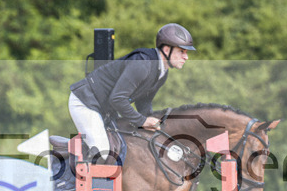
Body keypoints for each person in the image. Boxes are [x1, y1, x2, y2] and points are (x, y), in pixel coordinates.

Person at [68, 23, 195, 163]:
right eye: (182, 51)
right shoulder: (142, 64)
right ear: (166, 49)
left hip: (105, 108)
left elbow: (144, 102)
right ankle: (72, 181)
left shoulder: (162, 73)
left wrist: (153, 123)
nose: (186, 57)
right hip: (85, 102)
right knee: (104, 154)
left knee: (127, 146)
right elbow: (117, 99)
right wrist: (142, 121)